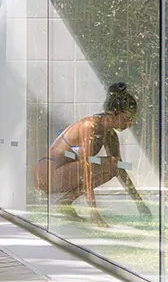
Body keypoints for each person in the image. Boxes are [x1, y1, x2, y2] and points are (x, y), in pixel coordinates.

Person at [34, 82, 151, 227]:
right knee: (106, 164)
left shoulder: (110, 134)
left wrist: (140, 204)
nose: (130, 124)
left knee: (114, 165)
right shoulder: (89, 126)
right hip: (47, 175)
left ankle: (65, 202)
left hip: (63, 172)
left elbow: (120, 168)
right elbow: (86, 170)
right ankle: (66, 202)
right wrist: (94, 213)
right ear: (114, 113)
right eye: (127, 118)